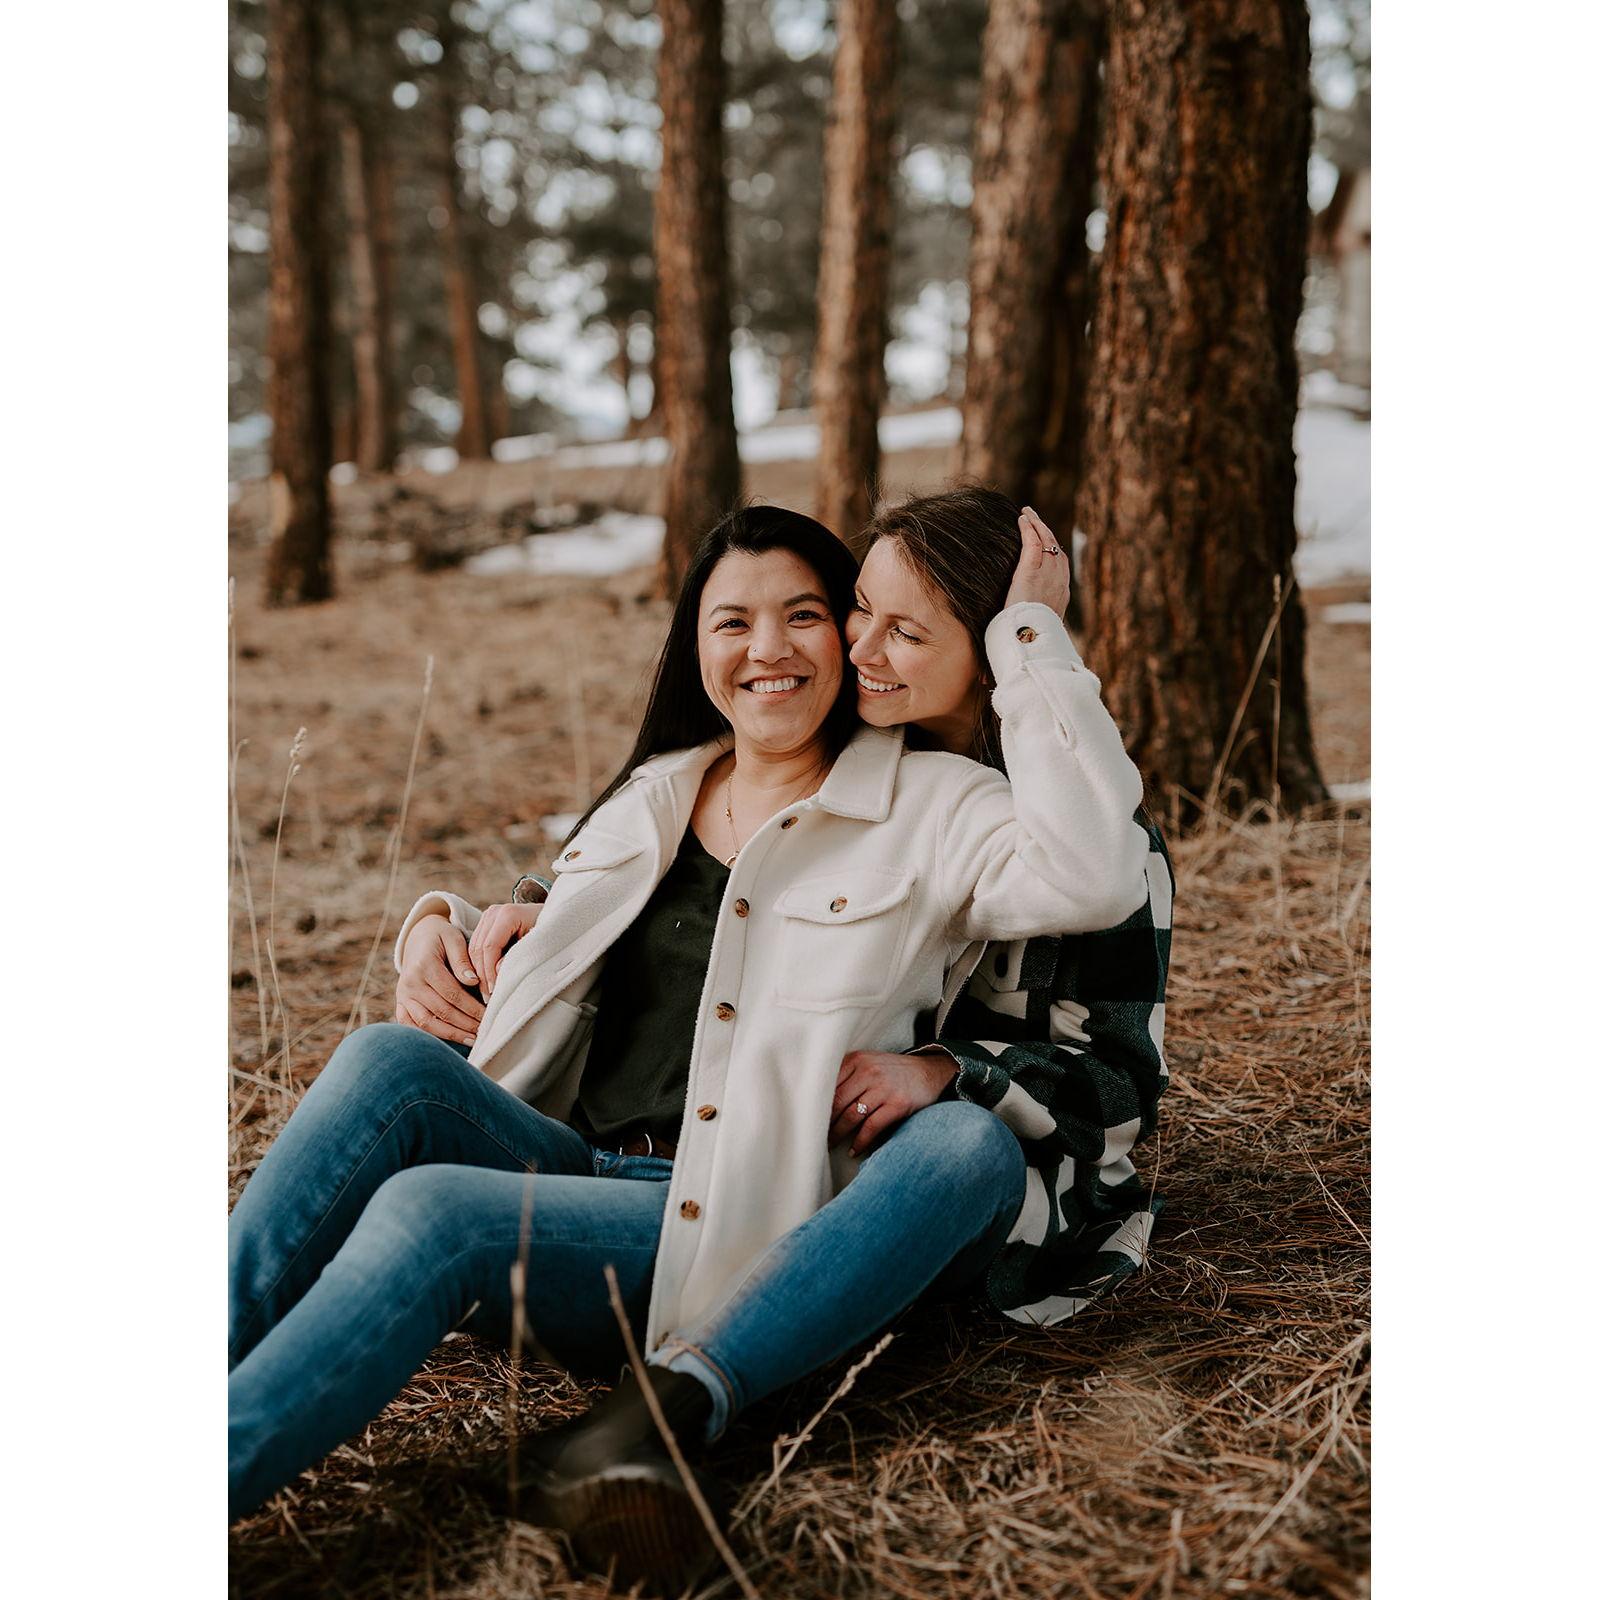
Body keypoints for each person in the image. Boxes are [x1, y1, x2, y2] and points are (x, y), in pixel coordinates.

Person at [227, 502, 1148, 1583]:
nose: (771, 649)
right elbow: (575, 933)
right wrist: (445, 927)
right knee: (383, 1063)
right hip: (570, 1168)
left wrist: (1028, 638)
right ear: (694, 646)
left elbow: (1093, 873)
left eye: (804, 614)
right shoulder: (654, 794)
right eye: (732, 622)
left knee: (435, 1214)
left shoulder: (937, 806)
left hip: (722, 1212)